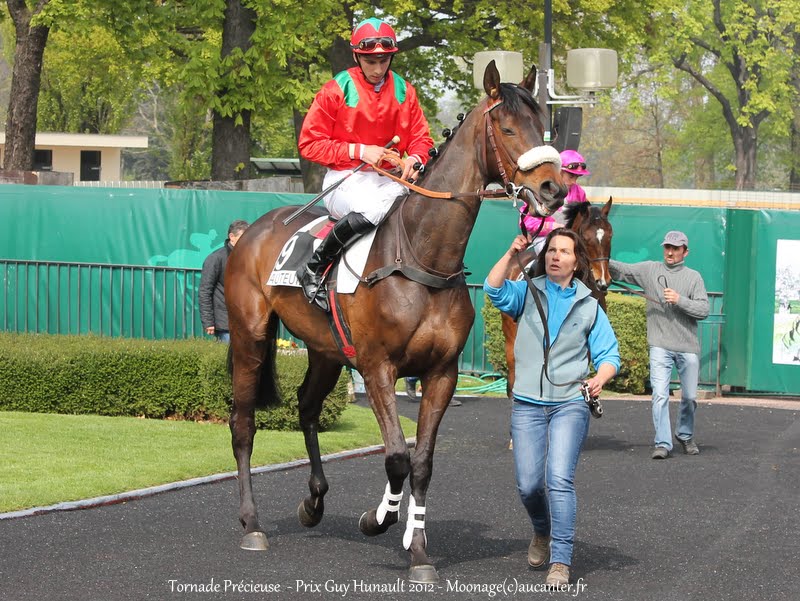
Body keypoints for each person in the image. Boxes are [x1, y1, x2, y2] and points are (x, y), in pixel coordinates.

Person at [484, 228, 619, 587]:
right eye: (552, 250)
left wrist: (600, 378)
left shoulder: (589, 305)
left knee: (559, 479)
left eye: (564, 251)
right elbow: (492, 288)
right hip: (527, 404)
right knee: (528, 485)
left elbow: (610, 356)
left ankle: (560, 560)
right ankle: (541, 530)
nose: (555, 255)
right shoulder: (527, 290)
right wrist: (512, 254)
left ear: (576, 262)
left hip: (570, 404)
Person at [296, 17, 435, 311]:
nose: (378, 68)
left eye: (384, 60)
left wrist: (416, 158)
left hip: (391, 180)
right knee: (378, 206)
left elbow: (423, 139)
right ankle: (313, 267)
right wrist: (360, 151)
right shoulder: (335, 90)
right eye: (370, 61)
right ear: (357, 56)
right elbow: (308, 144)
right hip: (343, 179)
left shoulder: (405, 91)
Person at [609, 230, 709, 459]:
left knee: (690, 397)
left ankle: (684, 435)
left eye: (675, 248)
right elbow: (621, 270)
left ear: (686, 251)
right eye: (667, 247)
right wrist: (595, 254)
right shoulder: (649, 270)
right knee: (660, 395)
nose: (670, 252)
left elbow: (704, 310)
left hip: (687, 347)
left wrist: (680, 300)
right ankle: (663, 443)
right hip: (660, 346)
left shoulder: (694, 277)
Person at [520, 149, 590, 253]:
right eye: (571, 176)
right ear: (558, 171)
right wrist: (553, 227)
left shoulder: (580, 192)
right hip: (544, 238)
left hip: (571, 238)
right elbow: (526, 222)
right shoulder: (541, 190)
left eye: (577, 177)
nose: (574, 181)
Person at [199, 220, 249, 343]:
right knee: (227, 359)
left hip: (246, 322)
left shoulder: (248, 258)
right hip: (225, 324)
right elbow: (205, 291)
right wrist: (208, 322)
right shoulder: (215, 258)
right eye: (244, 237)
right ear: (231, 237)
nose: (248, 241)